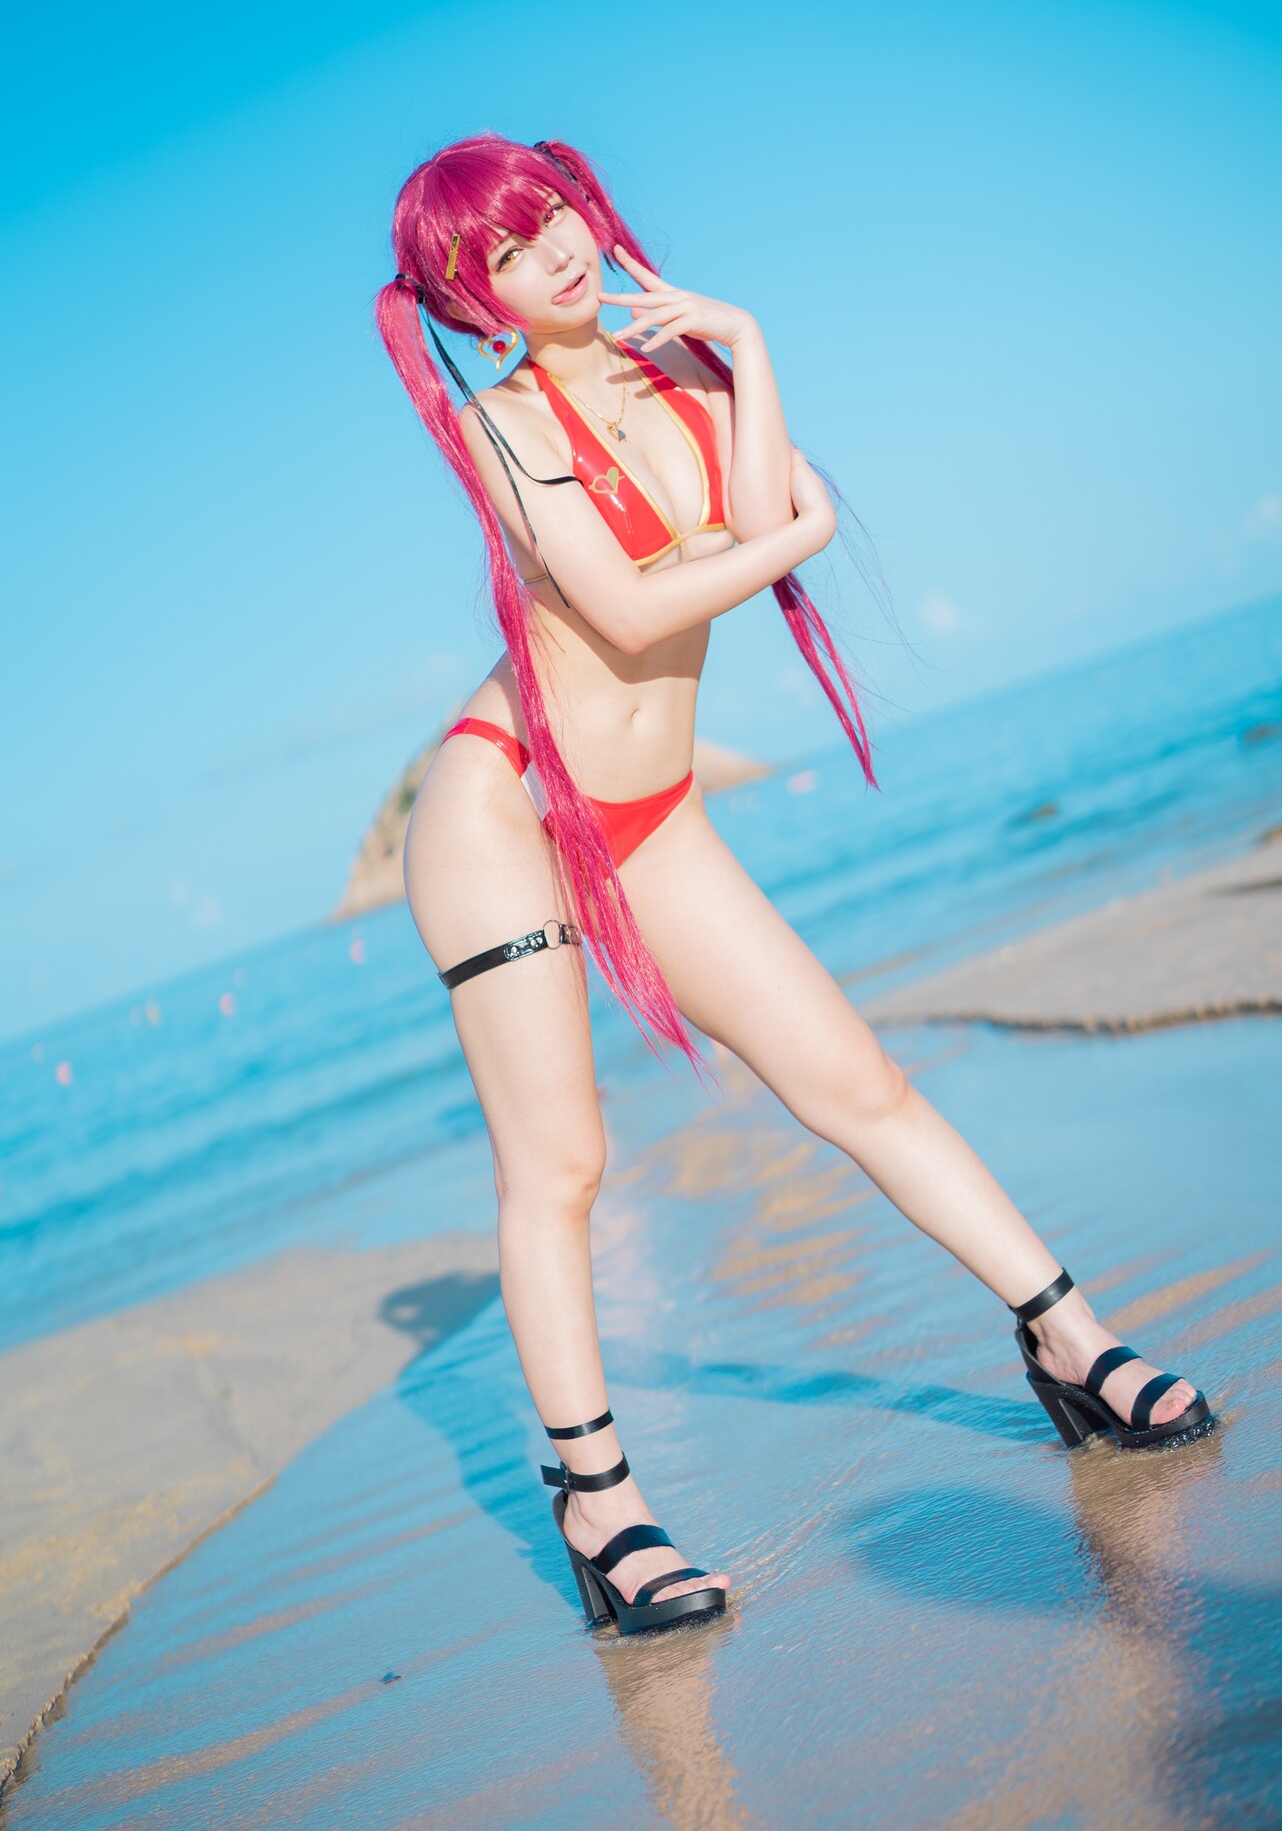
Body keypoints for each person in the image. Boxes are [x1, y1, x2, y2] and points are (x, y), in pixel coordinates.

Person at [374, 134, 1213, 1639]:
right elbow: (633, 607)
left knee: (858, 1081)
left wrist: (749, 343)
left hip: (650, 814)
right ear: (470, 302)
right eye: (502, 253)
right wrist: (809, 533)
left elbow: (755, 510)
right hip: (504, 810)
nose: (550, 253)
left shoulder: (691, 370)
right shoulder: (501, 425)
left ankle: (1070, 1340)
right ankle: (600, 1507)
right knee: (560, 1167)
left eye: (549, 215)